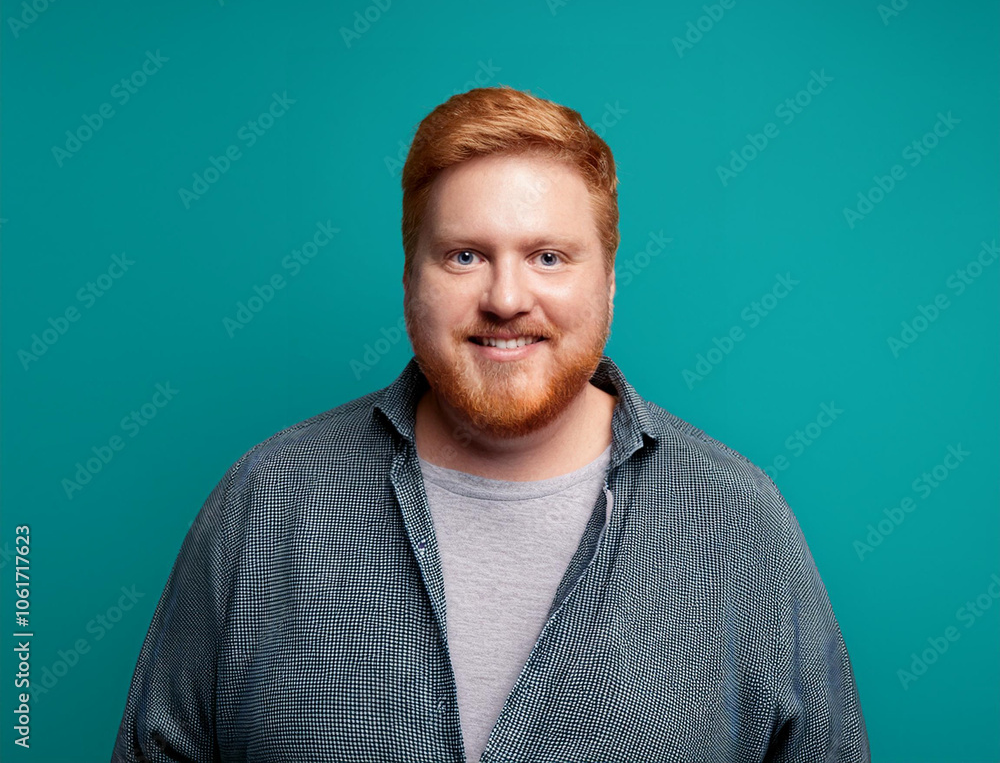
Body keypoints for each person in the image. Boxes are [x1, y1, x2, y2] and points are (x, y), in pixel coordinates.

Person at [111, 85, 870, 763]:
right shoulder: (264, 504)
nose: (506, 298)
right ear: (411, 281)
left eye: (547, 256)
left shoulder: (736, 519)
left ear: (606, 282)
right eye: (466, 255)